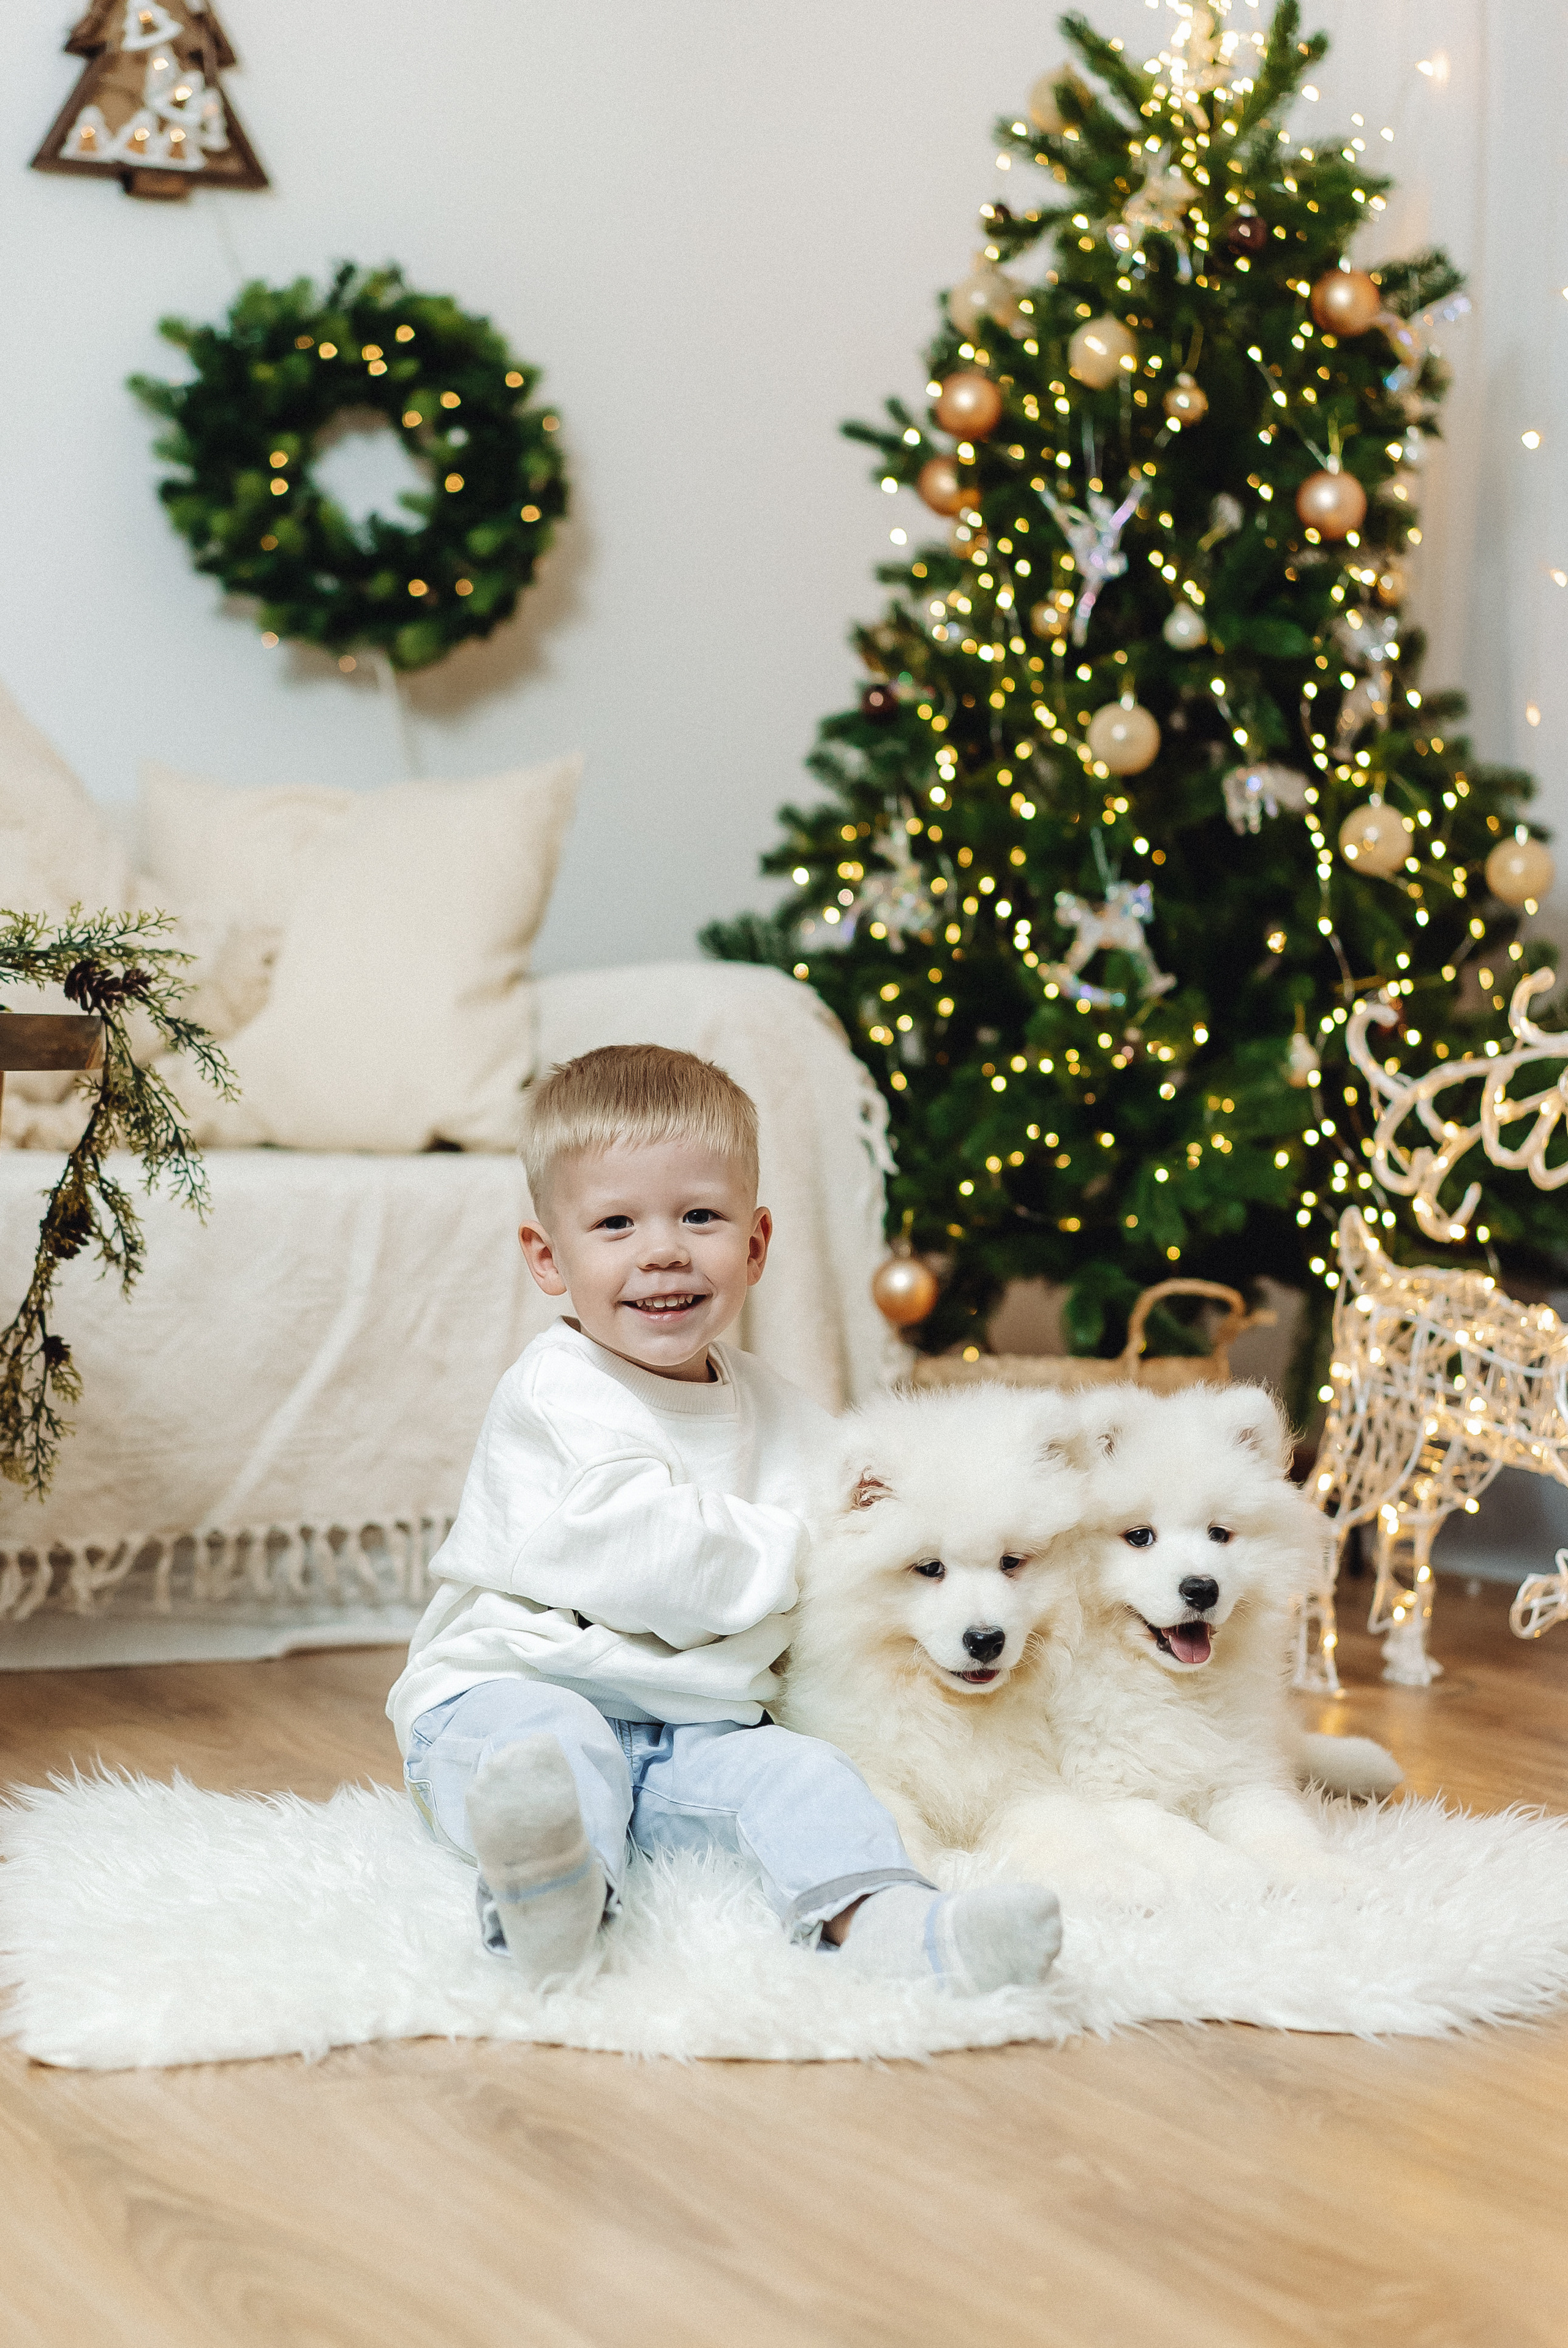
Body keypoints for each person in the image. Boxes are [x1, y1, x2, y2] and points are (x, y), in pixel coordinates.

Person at [386, 1043, 1060, 1996]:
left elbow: (869, 1521)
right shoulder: (554, 1394)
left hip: (692, 1728)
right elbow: (654, 1559)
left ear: (754, 1243)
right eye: (615, 1223)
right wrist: (804, 1549)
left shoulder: (779, 1409)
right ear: (549, 1256)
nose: (664, 1250)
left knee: (809, 1778)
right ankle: (548, 1903)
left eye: (700, 1216)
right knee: (553, 1756)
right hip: (510, 1690)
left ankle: (907, 1928)